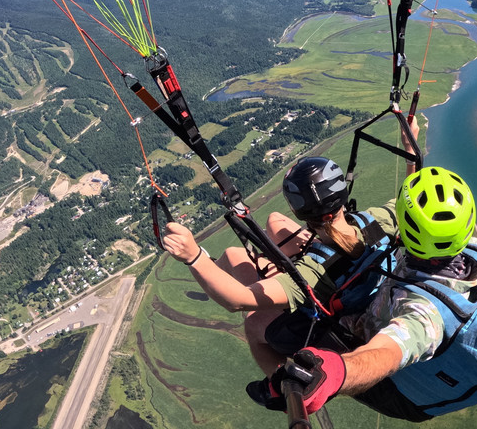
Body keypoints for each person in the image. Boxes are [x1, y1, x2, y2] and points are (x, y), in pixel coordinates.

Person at [257, 166, 477, 422]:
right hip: (406, 328)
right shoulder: (473, 249)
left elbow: (387, 355)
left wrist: (336, 372)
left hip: (401, 394)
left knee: (257, 326)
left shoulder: (424, 314)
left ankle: (286, 392)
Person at [162, 136, 418, 377]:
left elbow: (237, 300)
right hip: (368, 285)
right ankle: (254, 270)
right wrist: (410, 152)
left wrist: (194, 257)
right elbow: (413, 200)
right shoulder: (378, 220)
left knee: (249, 311)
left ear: (299, 211)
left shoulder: (311, 274)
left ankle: (282, 386)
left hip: (331, 309)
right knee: (274, 221)